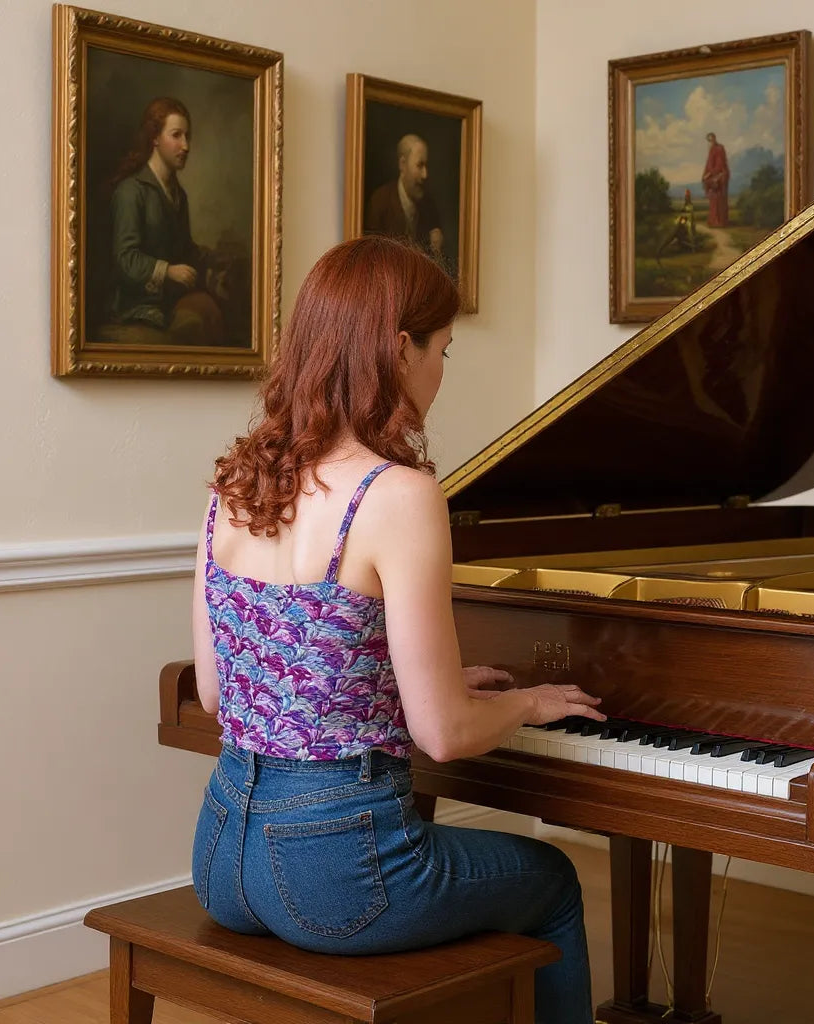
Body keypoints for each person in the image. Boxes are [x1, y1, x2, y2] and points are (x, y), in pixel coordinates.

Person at [190, 235, 604, 1024]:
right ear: (400, 348)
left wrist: (396, 685)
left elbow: (218, 693)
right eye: (443, 350)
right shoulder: (398, 494)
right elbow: (443, 736)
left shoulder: (234, 484)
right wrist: (528, 703)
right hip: (334, 879)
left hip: (221, 856)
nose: (441, 372)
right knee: (553, 881)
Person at [107, 97, 227, 343]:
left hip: (169, 302)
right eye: (176, 135)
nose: (186, 146)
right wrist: (168, 271)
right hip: (137, 307)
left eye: (187, 136)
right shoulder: (131, 191)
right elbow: (125, 258)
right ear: (155, 138)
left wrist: (214, 262)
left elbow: (184, 250)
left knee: (212, 311)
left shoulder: (178, 195)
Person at [364, 133, 444, 259]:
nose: (425, 175)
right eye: (419, 165)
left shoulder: (429, 207)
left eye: (426, 166)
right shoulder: (380, 202)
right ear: (402, 164)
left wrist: (436, 251)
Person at [657, 187, 698, 261]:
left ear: (689, 198)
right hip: (684, 220)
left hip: (689, 221)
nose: (686, 198)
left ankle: (693, 247)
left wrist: (685, 216)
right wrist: (681, 215)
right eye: (686, 197)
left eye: (687, 197)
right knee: (676, 223)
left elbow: (690, 214)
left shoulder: (691, 206)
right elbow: (682, 212)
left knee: (690, 230)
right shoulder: (684, 205)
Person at [701, 132, 730, 229]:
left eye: (711, 139)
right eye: (709, 140)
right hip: (713, 177)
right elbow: (709, 166)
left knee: (720, 200)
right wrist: (706, 176)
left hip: (720, 177)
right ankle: (713, 221)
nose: (710, 142)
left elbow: (720, 165)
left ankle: (721, 222)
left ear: (714, 138)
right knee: (713, 201)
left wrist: (714, 175)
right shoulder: (711, 150)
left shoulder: (719, 148)